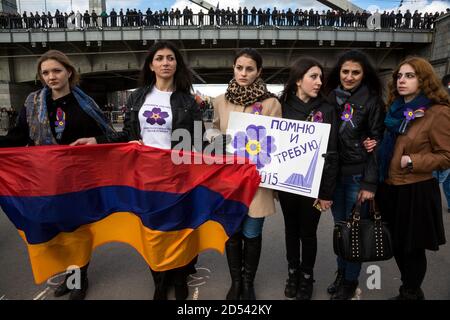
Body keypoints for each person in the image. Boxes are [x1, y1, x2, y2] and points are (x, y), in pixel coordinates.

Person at [0, 50, 114, 300]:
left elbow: (111, 137)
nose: (51, 76)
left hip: (78, 181)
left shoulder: (86, 103)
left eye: (56, 71)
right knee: (55, 231)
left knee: (75, 232)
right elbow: (18, 136)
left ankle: (78, 280)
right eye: (46, 72)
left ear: (69, 72)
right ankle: (69, 276)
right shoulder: (32, 103)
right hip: (45, 180)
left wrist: (96, 140)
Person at [96, 41, 205, 300]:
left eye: (170, 58)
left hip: (177, 175)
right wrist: (96, 141)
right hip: (144, 175)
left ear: (177, 64)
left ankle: (179, 278)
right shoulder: (138, 97)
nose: (165, 62)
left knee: (177, 229)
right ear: (151, 64)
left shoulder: (187, 101)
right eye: (159, 58)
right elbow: (127, 135)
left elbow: (199, 142)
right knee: (151, 230)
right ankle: (159, 279)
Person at [376, 57, 450, 300]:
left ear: (423, 80)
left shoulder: (437, 112)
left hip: (416, 189)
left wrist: (414, 161)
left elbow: (446, 155)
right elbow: (392, 145)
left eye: (410, 76)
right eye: (399, 76)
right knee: (396, 244)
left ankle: (410, 292)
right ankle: (410, 291)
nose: (402, 81)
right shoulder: (395, 109)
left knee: (413, 248)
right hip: (390, 187)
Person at [212, 48, 282, 300]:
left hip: (257, 182)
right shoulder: (219, 101)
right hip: (228, 182)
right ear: (233, 68)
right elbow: (212, 133)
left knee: (252, 232)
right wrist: (216, 141)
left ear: (259, 72)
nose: (243, 73)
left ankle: (248, 281)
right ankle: (236, 282)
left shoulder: (271, 103)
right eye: (239, 67)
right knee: (232, 233)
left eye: (249, 69)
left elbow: (279, 142)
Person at [323, 50, 385, 300]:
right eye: (345, 71)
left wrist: (370, 183)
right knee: (341, 230)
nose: (349, 77)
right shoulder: (328, 99)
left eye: (355, 72)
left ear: (364, 74)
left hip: (358, 177)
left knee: (355, 232)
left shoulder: (372, 101)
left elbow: (376, 143)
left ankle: (350, 281)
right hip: (334, 177)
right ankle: (341, 273)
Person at [278, 58, 339, 300]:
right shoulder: (280, 105)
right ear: (297, 79)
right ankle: (292, 272)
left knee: (308, 232)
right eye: (313, 76)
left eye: (320, 77)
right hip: (286, 183)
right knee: (290, 230)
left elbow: (332, 152)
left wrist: (326, 192)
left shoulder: (326, 109)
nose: (319, 82)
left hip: (313, 186)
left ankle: (306, 277)